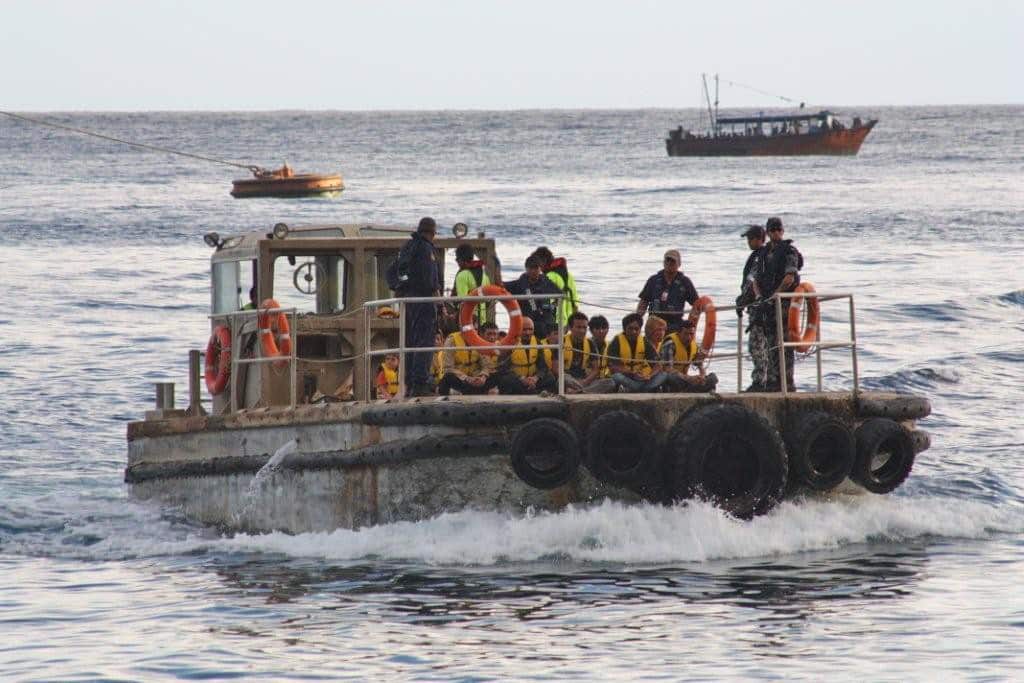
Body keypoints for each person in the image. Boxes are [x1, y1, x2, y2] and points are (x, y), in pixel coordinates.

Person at [394, 217, 441, 396]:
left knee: (411, 341)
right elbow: (429, 277)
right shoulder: (426, 249)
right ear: (432, 232)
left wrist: (401, 288)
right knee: (424, 341)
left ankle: (409, 382)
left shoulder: (407, 247)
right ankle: (420, 383)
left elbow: (394, 271)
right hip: (423, 300)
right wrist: (436, 295)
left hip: (409, 300)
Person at [757, 217, 803, 392]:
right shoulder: (763, 253)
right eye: (772, 230)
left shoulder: (789, 251)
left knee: (784, 342)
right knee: (770, 342)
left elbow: (790, 276)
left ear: (782, 231)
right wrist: (760, 297)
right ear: (767, 232)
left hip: (783, 303)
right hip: (767, 304)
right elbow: (755, 278)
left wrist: (776, 295)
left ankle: (787, 381)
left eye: (779, 230)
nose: (776, 233)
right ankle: (772, 380)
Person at [736, 224, 770, 391]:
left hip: (759, 308)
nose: (748, 242)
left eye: (751, 239)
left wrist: (742, 300)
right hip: (759, 306)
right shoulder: (761, 256)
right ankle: (766, 379)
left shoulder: (759, 257)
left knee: (756, 345)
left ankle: (760, 381)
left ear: (759, 239)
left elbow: (752, 281)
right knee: (762, 345)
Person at [636, 249, 699, 333]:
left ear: (679, 264)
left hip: (675, 325)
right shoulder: (653, 280)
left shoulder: (685, 282)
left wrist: (691, 322)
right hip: (654, 325)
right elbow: (643, 303)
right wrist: (637, 320)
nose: (669, 263)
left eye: (672, 261)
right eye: (667, 260)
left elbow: (696, 303)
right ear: (663, 262)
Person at [494, 317, 557, 395]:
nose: (527, 333)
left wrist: (535, 378)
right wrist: (521, 378)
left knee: (550, 377)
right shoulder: (510, 343)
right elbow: (503, 368)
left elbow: (543, 366)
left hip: (532, 378)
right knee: (505, 380)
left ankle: (531, 389)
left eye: (530, 329)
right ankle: (532, 391)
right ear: (518, 329)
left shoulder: (537, 342)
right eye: (524, 329)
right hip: (516, 379)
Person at [607, 313, 668, 393]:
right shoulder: (616, 341)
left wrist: (649, 376)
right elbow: (614, 367)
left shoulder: (644, 341)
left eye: (636, 329)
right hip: (626, 377)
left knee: (663, 375)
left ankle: (638, 389)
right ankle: (642, 389)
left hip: (642, 379)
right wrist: (632, 374)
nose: (634, 332)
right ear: (624, 329)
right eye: (630, 329)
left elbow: (657, 365)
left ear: (640, 329)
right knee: (616, 376)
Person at [504, 254, 561, 338]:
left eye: (536, 268)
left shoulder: (546, 283)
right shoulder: (519, 284)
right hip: (528, 325)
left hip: (546, 323)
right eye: (531, 268)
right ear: (526, 269)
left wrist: (549, 307)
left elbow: (560, 295)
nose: (533, 271)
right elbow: (502, 286)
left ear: (540, 269)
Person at [437, 322, 500, 396]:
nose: (473, 332)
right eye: (470, 329)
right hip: (461, 380)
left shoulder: (478, 340)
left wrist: (483, 377)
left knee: (498, 375)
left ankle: (474, 391)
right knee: (448, 377)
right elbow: (448, 368)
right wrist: (467, 378)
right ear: (461, 328)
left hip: (477, 380)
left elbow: (485, 365)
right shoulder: (452, 340)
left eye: (475, 329)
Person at [662, 320, 718, 392]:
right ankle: (695, 389)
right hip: (673, 379)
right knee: (671, 377)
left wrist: (702, 376)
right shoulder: (670, 343)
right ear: (678, 333)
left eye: (691, 334)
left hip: (685, 379)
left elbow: (699, 365)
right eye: (685, 334)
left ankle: (695, 389)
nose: (689, 337)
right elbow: (667, 369)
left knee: (713, 377)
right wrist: (689, 378)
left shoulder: (693, 345)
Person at [533, 246, 579, 326]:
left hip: (554, 323)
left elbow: (548, 305)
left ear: (543, 262)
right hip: (569, 322)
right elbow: (575, 303)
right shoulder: (569, 276)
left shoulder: (549, 277)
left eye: (537, 265)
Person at [451, 243, 492, 324]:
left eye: (457, 259)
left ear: (461, 260)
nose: (457, 262)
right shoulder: (484, 276)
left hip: (468, 320)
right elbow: (488, 300)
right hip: (482, 321)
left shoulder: (462, 275)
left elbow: (462, 301)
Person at [562, 312, 600, 393]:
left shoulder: (590, 343)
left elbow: (596, 369)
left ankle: (577, 391)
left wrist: (584, 382)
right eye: (578, 327)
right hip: (567, 378)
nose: (582, 331)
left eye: (584, 328)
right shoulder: (561, 341)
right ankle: (581, 391)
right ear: (570, 328)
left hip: (583, 378)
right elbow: (556, 369)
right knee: (563, 378)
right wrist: (573, 382)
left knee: (610, 382)